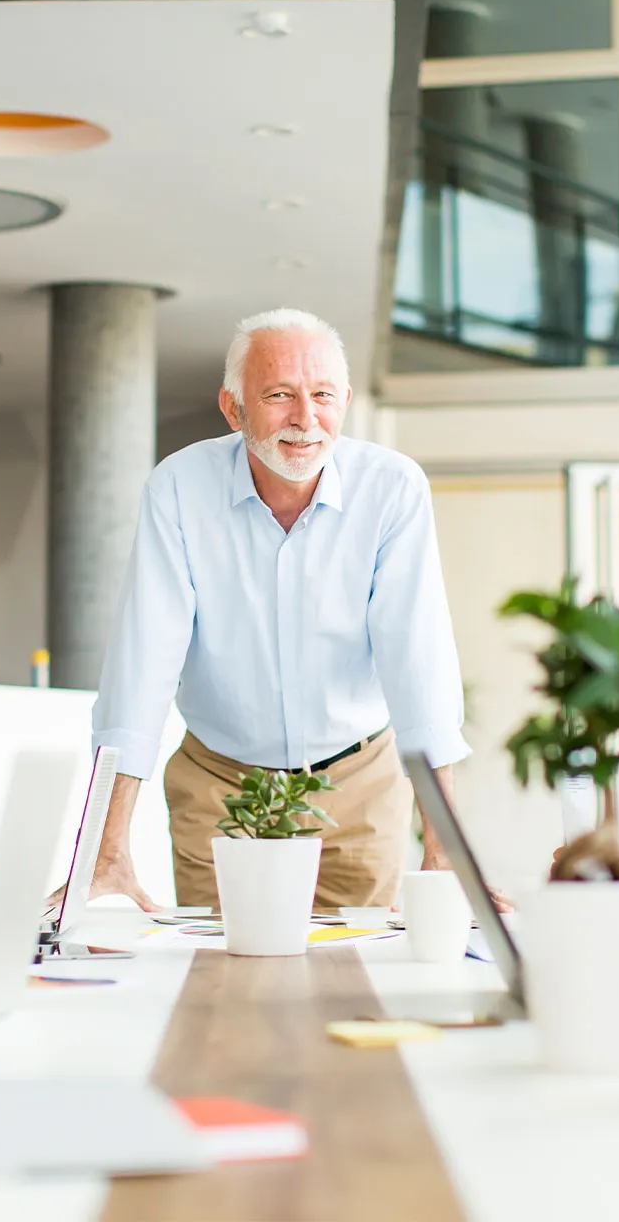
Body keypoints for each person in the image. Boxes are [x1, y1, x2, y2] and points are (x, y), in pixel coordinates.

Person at [89, 308, 474, 911]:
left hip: (358, 783)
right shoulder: (179, 488)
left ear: (345, 399)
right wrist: (107, 851)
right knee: (221, 982)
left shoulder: (393, 488)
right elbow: (142, 669)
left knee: (353, 983)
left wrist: (446, 848)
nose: (305, 418)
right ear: (233, 407)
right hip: (220, 785)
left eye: (322, 395)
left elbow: (416, 659)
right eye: (278, 395)